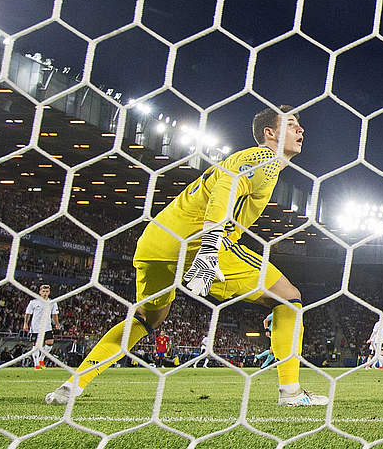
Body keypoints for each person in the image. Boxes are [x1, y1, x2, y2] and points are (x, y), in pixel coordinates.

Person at [46, 107, 328, 407]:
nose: (301, 130)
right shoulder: (263, 159)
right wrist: (209, 249)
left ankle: (72, 385)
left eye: (300, 126)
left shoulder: (257, 163)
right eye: (291, 124)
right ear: (269, 134)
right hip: (197, 243)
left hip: (155, 244)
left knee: (147, 318)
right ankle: (291, 392)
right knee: (288, 297)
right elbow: (228, 184)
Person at [23, 284, 59, 370]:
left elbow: (54, 314)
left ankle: (41, 359)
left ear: (49, 292)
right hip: (35, 327)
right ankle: (36, 364)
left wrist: (57, 323)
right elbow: (28, 314)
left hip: (47, 327)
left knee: (49, 344)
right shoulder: (33, 302)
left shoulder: (52, 303)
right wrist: (25, 323)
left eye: (47, 291)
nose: (45, 293)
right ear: (39, 292)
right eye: (43, 291)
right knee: (36, 346)